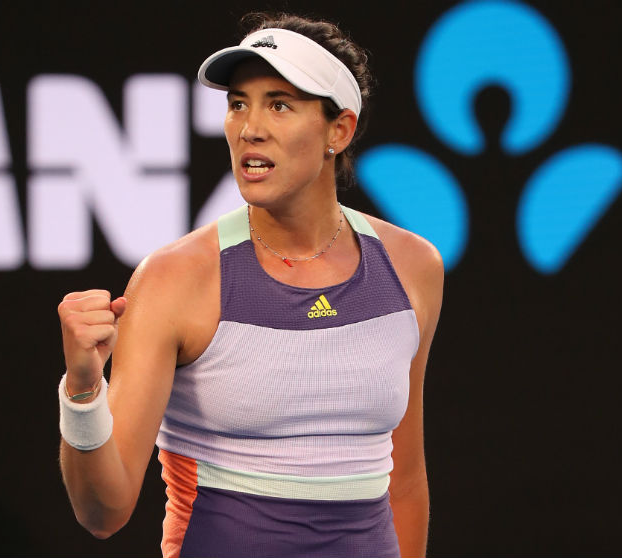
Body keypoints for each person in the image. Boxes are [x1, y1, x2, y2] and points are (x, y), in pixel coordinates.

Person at [56, 13, 443, 558]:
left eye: (279, 104)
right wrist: (81, 391)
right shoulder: (173, 279)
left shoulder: (412, 266)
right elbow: (103, 512)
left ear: (340, 130)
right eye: (238, 103)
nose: (249, 127)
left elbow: (403, 481)